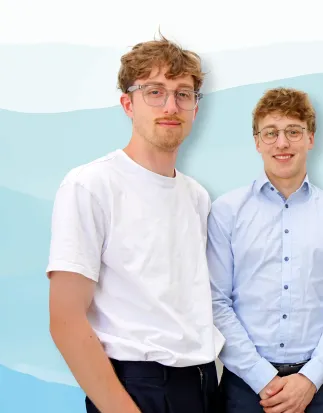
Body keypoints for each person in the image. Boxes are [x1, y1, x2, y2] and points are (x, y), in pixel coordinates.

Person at [46, 35, 225, 413]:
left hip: (202, 382)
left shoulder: (196, 196)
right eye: (154, 92)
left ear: (195, 108)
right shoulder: (91, 185)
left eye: (183, 94)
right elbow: (65, 319)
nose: (171, 106)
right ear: (128, 103)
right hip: (136, 386)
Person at [206, 87, 323, 413]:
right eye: (271, 133)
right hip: (246, 389)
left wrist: (309, 379)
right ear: (257, 141)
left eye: (293, 131)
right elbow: (216, 302)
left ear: (310, 138)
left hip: (320, 388)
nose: (282, 143)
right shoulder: (226, 211)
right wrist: (262, 378)